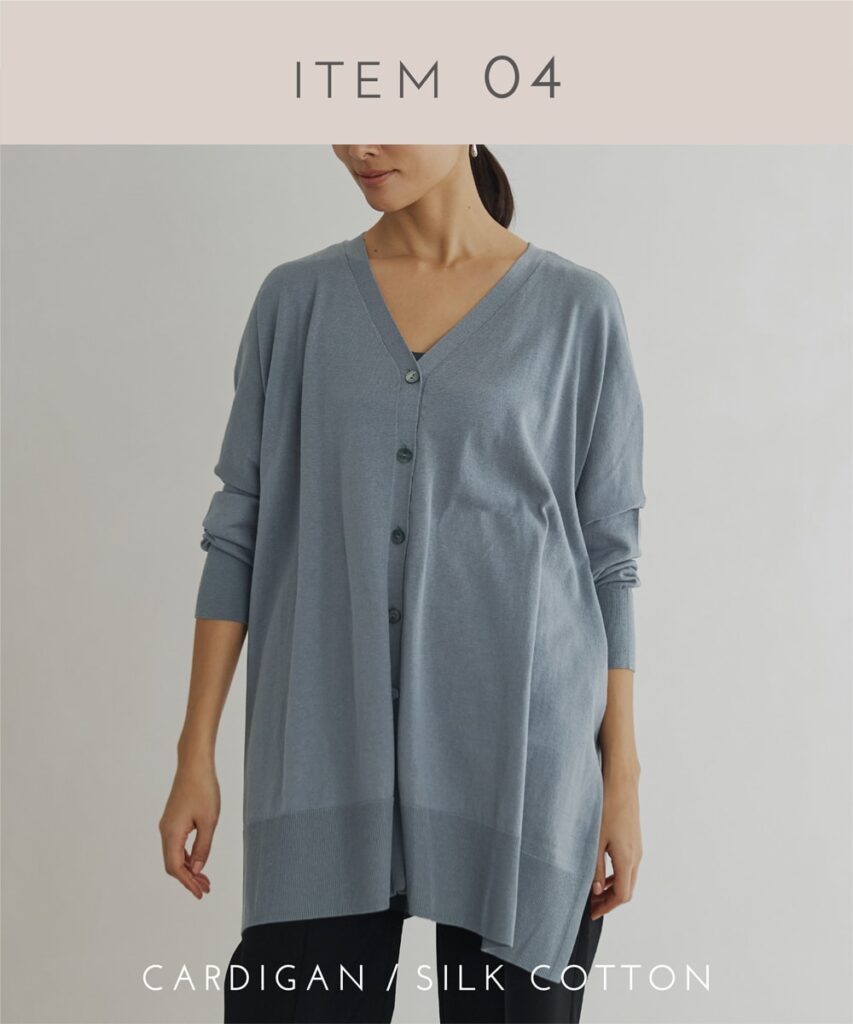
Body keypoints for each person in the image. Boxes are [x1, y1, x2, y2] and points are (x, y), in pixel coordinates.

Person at [158, 144, 646, 1024]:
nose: (359, 144)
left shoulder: (577, 310)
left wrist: (621, 781)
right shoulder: (296, 303)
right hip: (320, 755)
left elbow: (607, 558)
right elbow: (237, 531)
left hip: (522, 766)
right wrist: (195, 753)